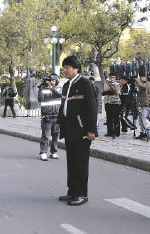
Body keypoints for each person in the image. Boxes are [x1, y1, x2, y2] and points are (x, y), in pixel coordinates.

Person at [54, 55, 98, 206]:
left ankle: (81, 194)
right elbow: (63, 106)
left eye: (67, 68)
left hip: (82, 131)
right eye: (64, 68)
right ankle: (72, 191)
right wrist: (59, 122)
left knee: (81, 163)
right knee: (71, 162)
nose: (65, 70)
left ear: (76, 69)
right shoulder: (66, 85)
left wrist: (91, 130)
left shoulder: (85, 84)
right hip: (69, 129)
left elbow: (92, 108)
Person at [38, 74, 62, 161]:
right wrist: (40, 88)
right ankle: (43, 152)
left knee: (55, 136)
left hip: (57, 117)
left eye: (52, 80)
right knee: (46, 136)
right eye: (50, 80)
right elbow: (39, 99)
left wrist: (51, 88)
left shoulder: (59, 88)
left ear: (56, 81)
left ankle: (53, 152)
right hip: (47, 116)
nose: (50, 81)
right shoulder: (44, 89)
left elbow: (60, 95)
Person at [134, 73, 150, 141]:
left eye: (142, 77)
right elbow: (139, 90)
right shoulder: (141, 84)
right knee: (141, 121)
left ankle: (149, 133)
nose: (140, 78)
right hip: (141, 105)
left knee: (147, 120)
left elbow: (142, 85)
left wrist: (136, 79)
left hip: (147, 105)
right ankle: (143, 133)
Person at [102, 73, 121, 138]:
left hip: (115, 103)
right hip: (107, 102)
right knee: (109, 119)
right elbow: (104, 92)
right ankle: (109, 132)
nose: (112, 79)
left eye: (113, 77)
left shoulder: (117, 84)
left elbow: (114, 91)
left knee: (115, 118)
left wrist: (108, 92)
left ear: (115, 78)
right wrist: (106, 92)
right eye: (110, 77)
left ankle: (116, 132)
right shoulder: (106, 84)